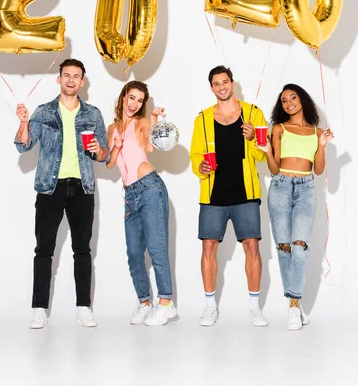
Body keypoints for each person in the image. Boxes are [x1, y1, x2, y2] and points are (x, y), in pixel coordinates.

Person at [15, 59, 109, 329]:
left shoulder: (92, 114)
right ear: (59, 79)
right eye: (66, 75)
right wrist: (23, 122)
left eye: (76, 76)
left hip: (82, 188)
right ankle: (39, 308)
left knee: (82, 249)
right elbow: (24, 145)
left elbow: (103, 155)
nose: (70, 80)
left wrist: (97, 151)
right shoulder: (44, 112)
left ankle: (84, 307)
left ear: (82, 82)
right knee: (44, 249)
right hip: (50, 188)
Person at [190, 65, 268, 327]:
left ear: (232, 84)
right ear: (211, 88)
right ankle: (209, 306)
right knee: (208, 247)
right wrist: (200, 168)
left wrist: (251, 138)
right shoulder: (201, 119)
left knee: (252, 247)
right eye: (216, 83)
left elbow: (263, 154)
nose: (222, 87)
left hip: (246, 193)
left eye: (225, 82)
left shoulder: (253, 113)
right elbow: (196, 157)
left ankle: (255, 308)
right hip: (213, 195)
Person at [258, 84, 333, 330]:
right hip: (280, 185)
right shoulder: (278, 129)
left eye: (293, 97)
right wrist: (267, 151)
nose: (288, 102)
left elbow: (319, 170)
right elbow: (274, 168)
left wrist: (322, 145)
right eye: (284, 100)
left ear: (303, 100)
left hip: (306, 189)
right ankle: (295, 304)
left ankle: (293, 304)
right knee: (284, 248)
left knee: (299, 247)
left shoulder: (316, 131)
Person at [106, 80, 177, 326]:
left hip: (150, 189)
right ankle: (145, 302)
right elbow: (110, 163)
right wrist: (115, 147)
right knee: (134, 252)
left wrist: (155, 120)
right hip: (129, 195)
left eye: (140, 100)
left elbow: (150, 146)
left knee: (156, 248)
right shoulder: (111, 128)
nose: (135, 104)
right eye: (132, 98)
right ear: (123, 96)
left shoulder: (142, 123)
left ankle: (166, 303)